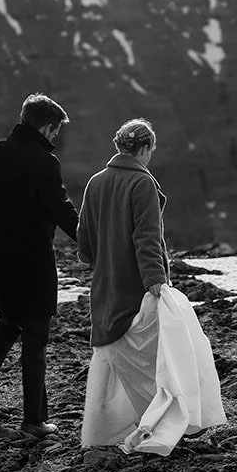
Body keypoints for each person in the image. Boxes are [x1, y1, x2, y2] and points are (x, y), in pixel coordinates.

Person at [0, 93, 80, 438]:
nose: (55, 138)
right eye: (55, 131)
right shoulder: (44, 163)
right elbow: (61, 210)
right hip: (34, 264)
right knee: (36, 338)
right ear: (45, 125)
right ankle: (34, 421)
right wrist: (92, 238)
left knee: (8, 324)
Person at [76, 118, 170, 444]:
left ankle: (105, 433)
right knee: (153, 358)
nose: (150, 158)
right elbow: (147, 238)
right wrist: (156, 280)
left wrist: (103, 259)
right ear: (143, 149)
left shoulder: (95, 182)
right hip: (136, 290)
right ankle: (156, 424)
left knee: (109, 358)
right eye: (151, 151)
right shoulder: (141, 184)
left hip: (105, 289)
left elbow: (84, 242)